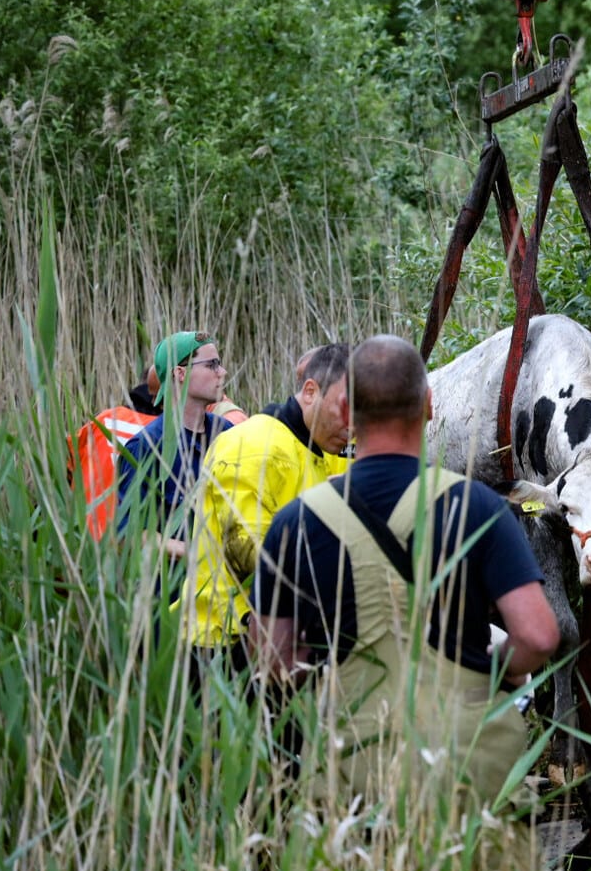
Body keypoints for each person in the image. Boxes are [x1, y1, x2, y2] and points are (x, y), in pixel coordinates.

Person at [248, 335, 556, 809]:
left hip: (351, 767)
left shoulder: (296, 521)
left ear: (347, 409)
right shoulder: (478, 507)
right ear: (429, 405)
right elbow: (537, 636)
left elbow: (273, 660)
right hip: (462, 761)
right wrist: (488, 669)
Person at [183, 343, 352, 651]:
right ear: (310, 392)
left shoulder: (327, 449)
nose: (352, 425)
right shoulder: (251, 445)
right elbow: (249, 554)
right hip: (226, 643)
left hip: (290, 639)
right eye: (345, 408)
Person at [71, 361, 248, 539]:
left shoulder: (102, 422)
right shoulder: (168, 436)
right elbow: (241, 431)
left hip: (86, 544)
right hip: (140, 546)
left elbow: (65, 464)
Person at [113, 331, 232, 562]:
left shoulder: (226, 433)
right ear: (180, 373)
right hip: (172, 582)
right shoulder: (146, 447)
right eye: (212, 365)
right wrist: (195, 552)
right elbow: (128, 535)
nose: (223, 372)